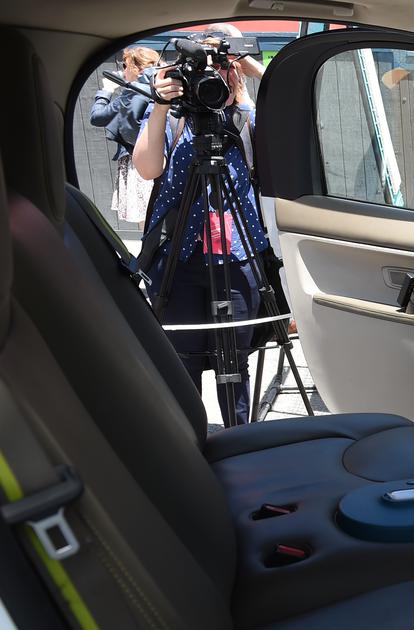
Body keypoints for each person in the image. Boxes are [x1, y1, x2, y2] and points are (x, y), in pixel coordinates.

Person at [134, 24, 267, 426]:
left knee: (235, 364)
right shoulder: (173, 118)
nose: (213, 77)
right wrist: (159, 103)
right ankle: (189, 444)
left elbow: (304, 120)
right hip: (180, 257)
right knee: (180, 364)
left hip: (239, 256)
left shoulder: (246, 117)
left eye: (222, 66)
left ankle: (240, 439)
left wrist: (250, 70)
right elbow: (146, 168)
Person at [90, 46, 160, 223]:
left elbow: (97, 117)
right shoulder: (161, 88)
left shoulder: (133, 92)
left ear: (135, 68)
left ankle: (147, 250)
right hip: (162, 158)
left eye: (125, 65)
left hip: (139, 160)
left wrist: (106, 90)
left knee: (144, 216)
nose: (123, 71)